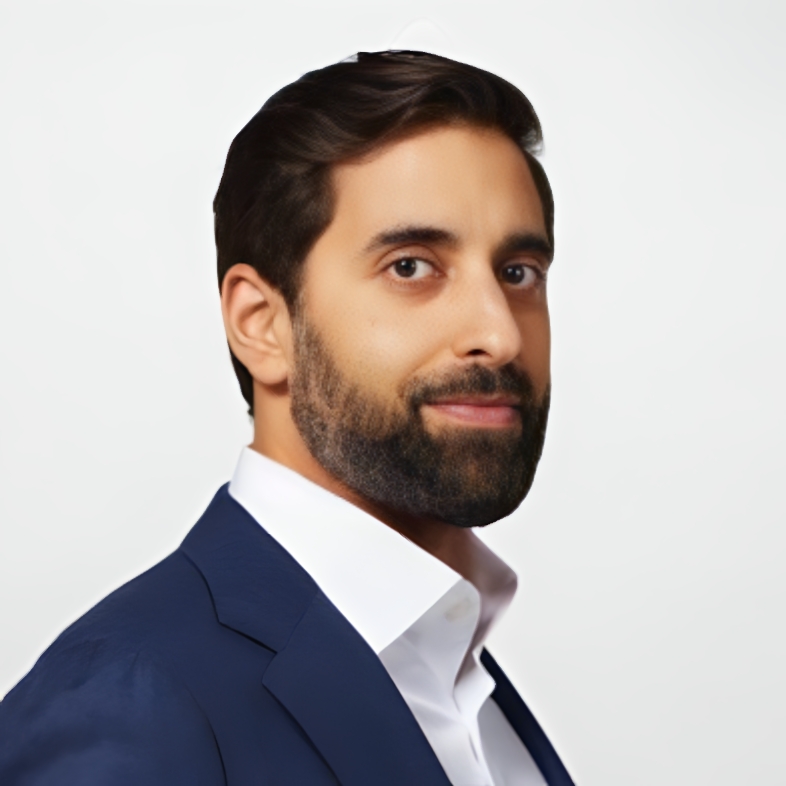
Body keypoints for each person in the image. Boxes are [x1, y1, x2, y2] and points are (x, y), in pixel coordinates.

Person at [0, 51, 573, 785]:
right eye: (410, 266)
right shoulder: (128, 700)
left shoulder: (452, 668)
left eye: (519, 273)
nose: (500, 333)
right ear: (262, 325)